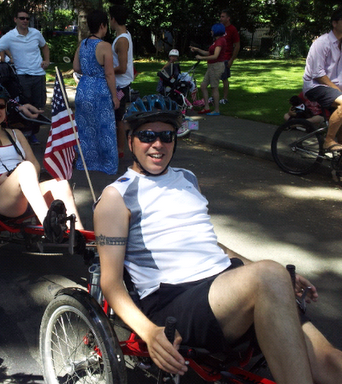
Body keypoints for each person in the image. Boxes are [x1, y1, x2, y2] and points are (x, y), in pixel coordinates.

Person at [94, 94, 342, 384]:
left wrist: (264, 273)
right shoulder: (116, 197)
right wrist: (150, 332)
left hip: (227, 285)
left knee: (331, 361)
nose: (158, 144)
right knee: (269, 273)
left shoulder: (187, 178)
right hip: (174, 297)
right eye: (148, 135)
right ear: (132, 139)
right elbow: (110, 282)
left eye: (167, 135)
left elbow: (212, 245)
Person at [0, 83, 84, 241]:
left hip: (26, 186)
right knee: (25, 167)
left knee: (61, 183)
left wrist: (25, 176)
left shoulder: (16, 134)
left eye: (1, 106)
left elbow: (35, 164)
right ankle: (48, 224)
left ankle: (80, 236)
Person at [0, 9, 50, 145]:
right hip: (22, 76)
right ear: (16, 20)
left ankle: (33, 133)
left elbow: (45, 46)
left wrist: (47, 60)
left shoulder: (36, 33)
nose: (25, 21)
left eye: (26, 18)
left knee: (38, 106)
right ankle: (25, 132)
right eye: (21, 18)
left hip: (38, 75)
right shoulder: (9, 36)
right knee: (25, 106)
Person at [73, 10, 119, 175]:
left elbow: (76, 67)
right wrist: (115, 96)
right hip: (99, 90)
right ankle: (106, 163)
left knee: (85, 128)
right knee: (104, 127)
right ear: (102, 25)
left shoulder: (83, 44)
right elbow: (109, 74)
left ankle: (86, 162)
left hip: (84, 88)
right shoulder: (105, 46)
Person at [303, 8, 342, 152]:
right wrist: (336, 89)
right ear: (334, 23)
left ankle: (336, 170)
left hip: (333, 88)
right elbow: (318, 74)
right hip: (315, 86)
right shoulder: (322, 43)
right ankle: (328, 140)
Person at [109, 4, 134, 158]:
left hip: (121, 86)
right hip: (120, 84)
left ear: (113, 19)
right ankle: (120, 148)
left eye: (110, 18)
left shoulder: (122, 40)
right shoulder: (124, 35)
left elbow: (123, 67)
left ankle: (120, 150)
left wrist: (106, 70)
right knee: (116, 117)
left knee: (118, 118)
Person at [190, 23, 226, 116]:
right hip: (211, 66)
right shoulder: (216, 41)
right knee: (203, 86)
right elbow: (208, 53)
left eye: (212, 30)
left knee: (214, 88)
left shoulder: (220, 41)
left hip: (216, 66)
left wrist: (201, 58)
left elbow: (215, 56)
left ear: (216, 31)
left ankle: (216, 110)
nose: (211, 32)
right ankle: (206, 107)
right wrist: (197, 49)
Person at [219, 9, 240, 105]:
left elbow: (237, 45)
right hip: (217, 56)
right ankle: (215, 96)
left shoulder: (232, 29)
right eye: (221, 16)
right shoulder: (220, 28)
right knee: (214, 77)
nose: (221, 18)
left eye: (223, 17)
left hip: (226, 57)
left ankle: (225, 98)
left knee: (224, 78)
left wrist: (232, 59)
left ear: (228, 18)